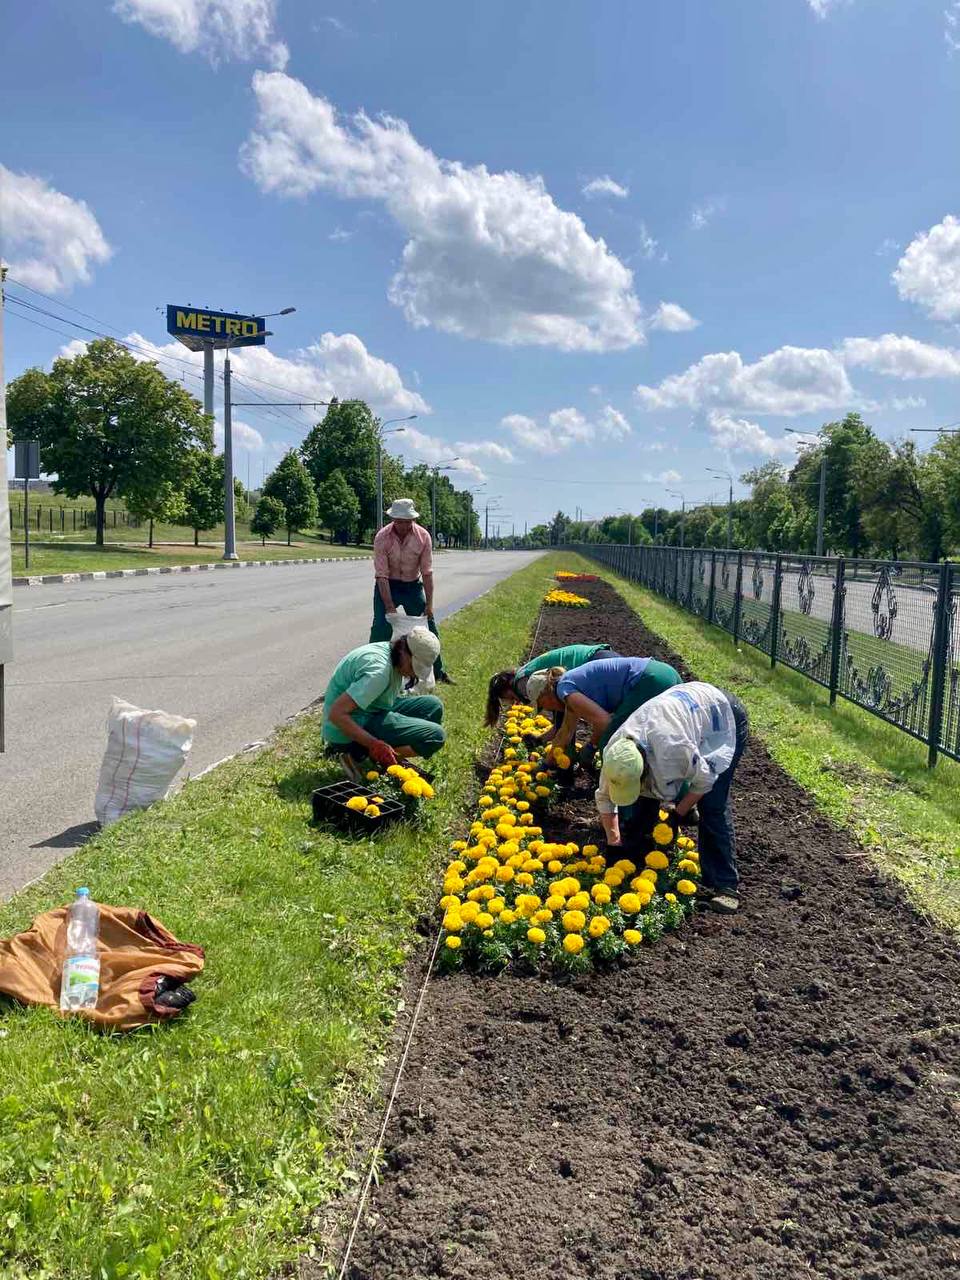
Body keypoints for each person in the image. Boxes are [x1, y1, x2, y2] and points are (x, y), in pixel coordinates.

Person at [594, 681, 749, 914]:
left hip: (720, 715)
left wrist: (677, 815)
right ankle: (641, 856)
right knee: (644, 803)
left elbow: (704, 782)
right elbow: (605, 798)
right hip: (680, 712)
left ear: (645, 767)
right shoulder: (616, 754)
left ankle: (724, 885)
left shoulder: (674, 748)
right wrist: (614, 843)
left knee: (713, 805)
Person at [322, 626, 446, 781]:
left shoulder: (391, 652)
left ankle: (388, 755)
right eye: (413, 667)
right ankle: (362, 755)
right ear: (404, 652)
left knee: (433, 706)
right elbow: (337, 714)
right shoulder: (378, 673)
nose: (414, 673)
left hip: (371, 709)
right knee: (435, 736)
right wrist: (374, 744)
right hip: (348, 730)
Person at [525, 655, 682, 769]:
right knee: (665, 739)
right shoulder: (569, 685)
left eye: (542, 704)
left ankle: (620, 798)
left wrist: (592, 746)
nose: (546, 709)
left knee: (611, 741)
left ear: (545, 693)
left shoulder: (565, 690)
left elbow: (604, 722)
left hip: (648, 680)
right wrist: (547, 763)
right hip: (665, 673)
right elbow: (565, 732)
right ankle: (683, 800)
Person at [370, 498, 451, 684]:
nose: (403, 526)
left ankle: (439, 672)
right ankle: (372, 668)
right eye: (399, 521)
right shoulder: (382, 537)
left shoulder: (423, 537)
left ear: (413, 519)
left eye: (407, 521)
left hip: (412, 586)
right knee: (380, 627)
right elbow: (381, 575)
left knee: (428, 627)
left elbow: (427, 573)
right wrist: (389, 606)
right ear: (393, 519)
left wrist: (429, 605)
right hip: (388, 585)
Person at [484, 643, 616, 727]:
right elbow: (562, 713)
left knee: (611, 723)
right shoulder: (524, 674)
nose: (514, 702)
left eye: (509, 698)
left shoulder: (522, 685)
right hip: (600, 657)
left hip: (594, 663)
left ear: (506, 688)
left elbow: (563, 710)